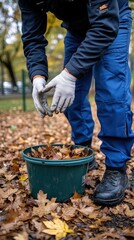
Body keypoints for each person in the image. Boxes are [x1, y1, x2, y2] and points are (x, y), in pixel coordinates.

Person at [18, 0, 134, 206]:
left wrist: (70, 75)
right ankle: (84, 153)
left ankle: (117, 169)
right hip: (77, 30)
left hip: (111, 20)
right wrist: (37, 76)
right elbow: (32, 36)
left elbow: (105, 25)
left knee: (111, 94)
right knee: (69, 98)